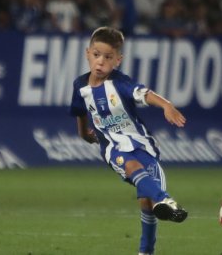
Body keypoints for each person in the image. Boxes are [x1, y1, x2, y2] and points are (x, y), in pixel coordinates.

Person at [69, 26, 188, 255]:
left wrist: (166, 104)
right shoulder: (80, 86)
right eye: (96, 55)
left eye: (108, 57)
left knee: (147, 203)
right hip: (113, 148)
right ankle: (166, 200)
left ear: (118, 60)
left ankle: (146, 251)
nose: (100, 62)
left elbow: (144, 93)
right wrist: (84, 134)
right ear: (87, 53)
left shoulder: (121, 83)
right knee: (134, 170)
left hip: (142, 145)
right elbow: (80, 111)